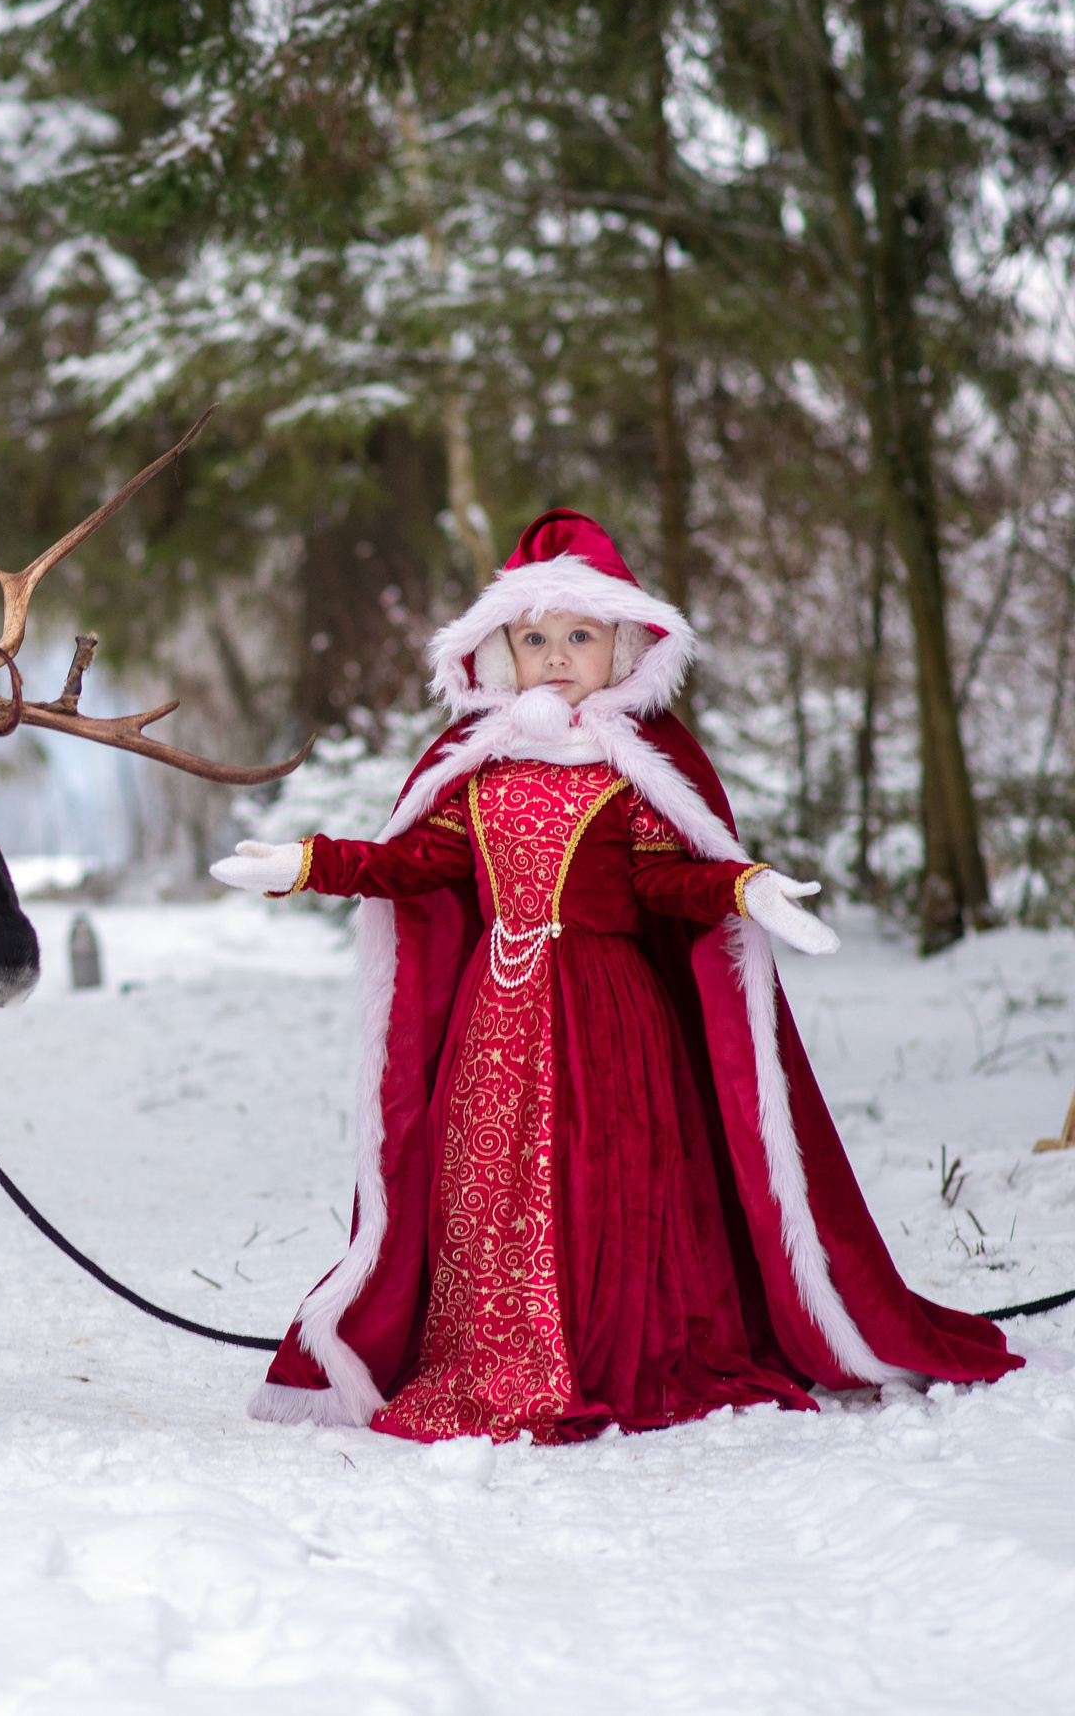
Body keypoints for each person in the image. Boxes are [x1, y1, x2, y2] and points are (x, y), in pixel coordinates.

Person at [211, 510, 1020, 1444]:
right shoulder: (476, 771)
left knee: (607, 1173)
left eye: (580, 636)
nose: (557, 656)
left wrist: (743, 887)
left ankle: (603, 1349)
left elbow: (665, 878)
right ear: (502, 652)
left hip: (608, 1014)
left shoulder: (634, 769)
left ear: (623, 647)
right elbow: (414, 865)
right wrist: (310, 863)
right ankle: (492, 1350)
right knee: (485, 1178)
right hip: (492, 1018)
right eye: (535, 638)